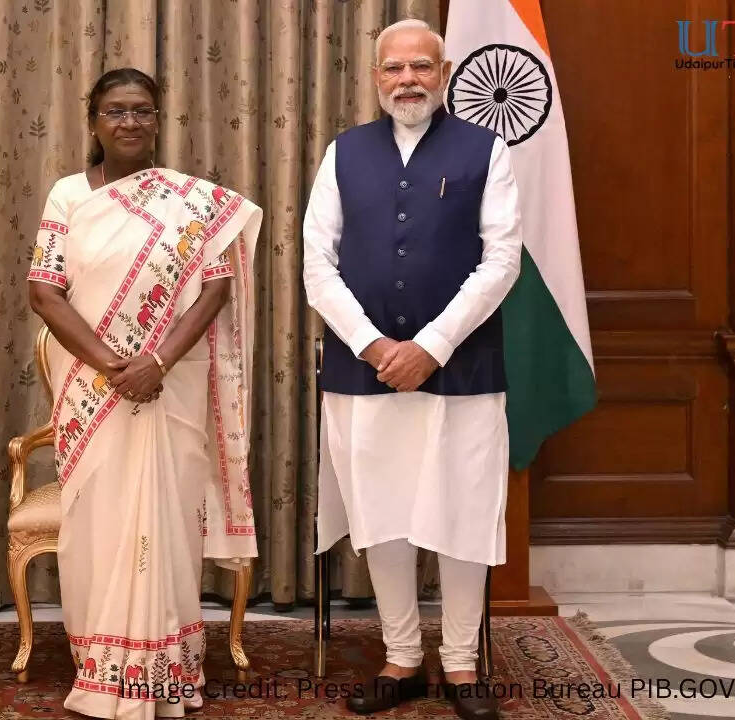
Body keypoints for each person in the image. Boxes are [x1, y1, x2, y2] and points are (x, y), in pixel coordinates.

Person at [302, 18, 522, 720]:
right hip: (362, 372)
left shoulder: (488, 150)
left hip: (461, 370)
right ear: (374, 78)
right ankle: (402, 657)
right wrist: (373, 346)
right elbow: (316, 265)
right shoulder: (342, 154)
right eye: (393, 69)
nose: (407, 80)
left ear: (445, 71)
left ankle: (460, 665)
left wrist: (432, 344)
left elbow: (502, 260)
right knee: (381, 512)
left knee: (462, 512)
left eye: (421, 67)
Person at [28, 68, 262, 719]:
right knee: (98, 527)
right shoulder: (68, 196)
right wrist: (114, 366)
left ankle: (166, 669)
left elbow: (215, 289)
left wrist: (156, 361)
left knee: (167, 526)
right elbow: (44, 291)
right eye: (115, 111)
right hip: (93, 392)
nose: (129, 122)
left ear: (159, 119)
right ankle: (103, 668)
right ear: (94, 120)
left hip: (171, 388)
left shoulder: (194, 203)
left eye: (142, 111)